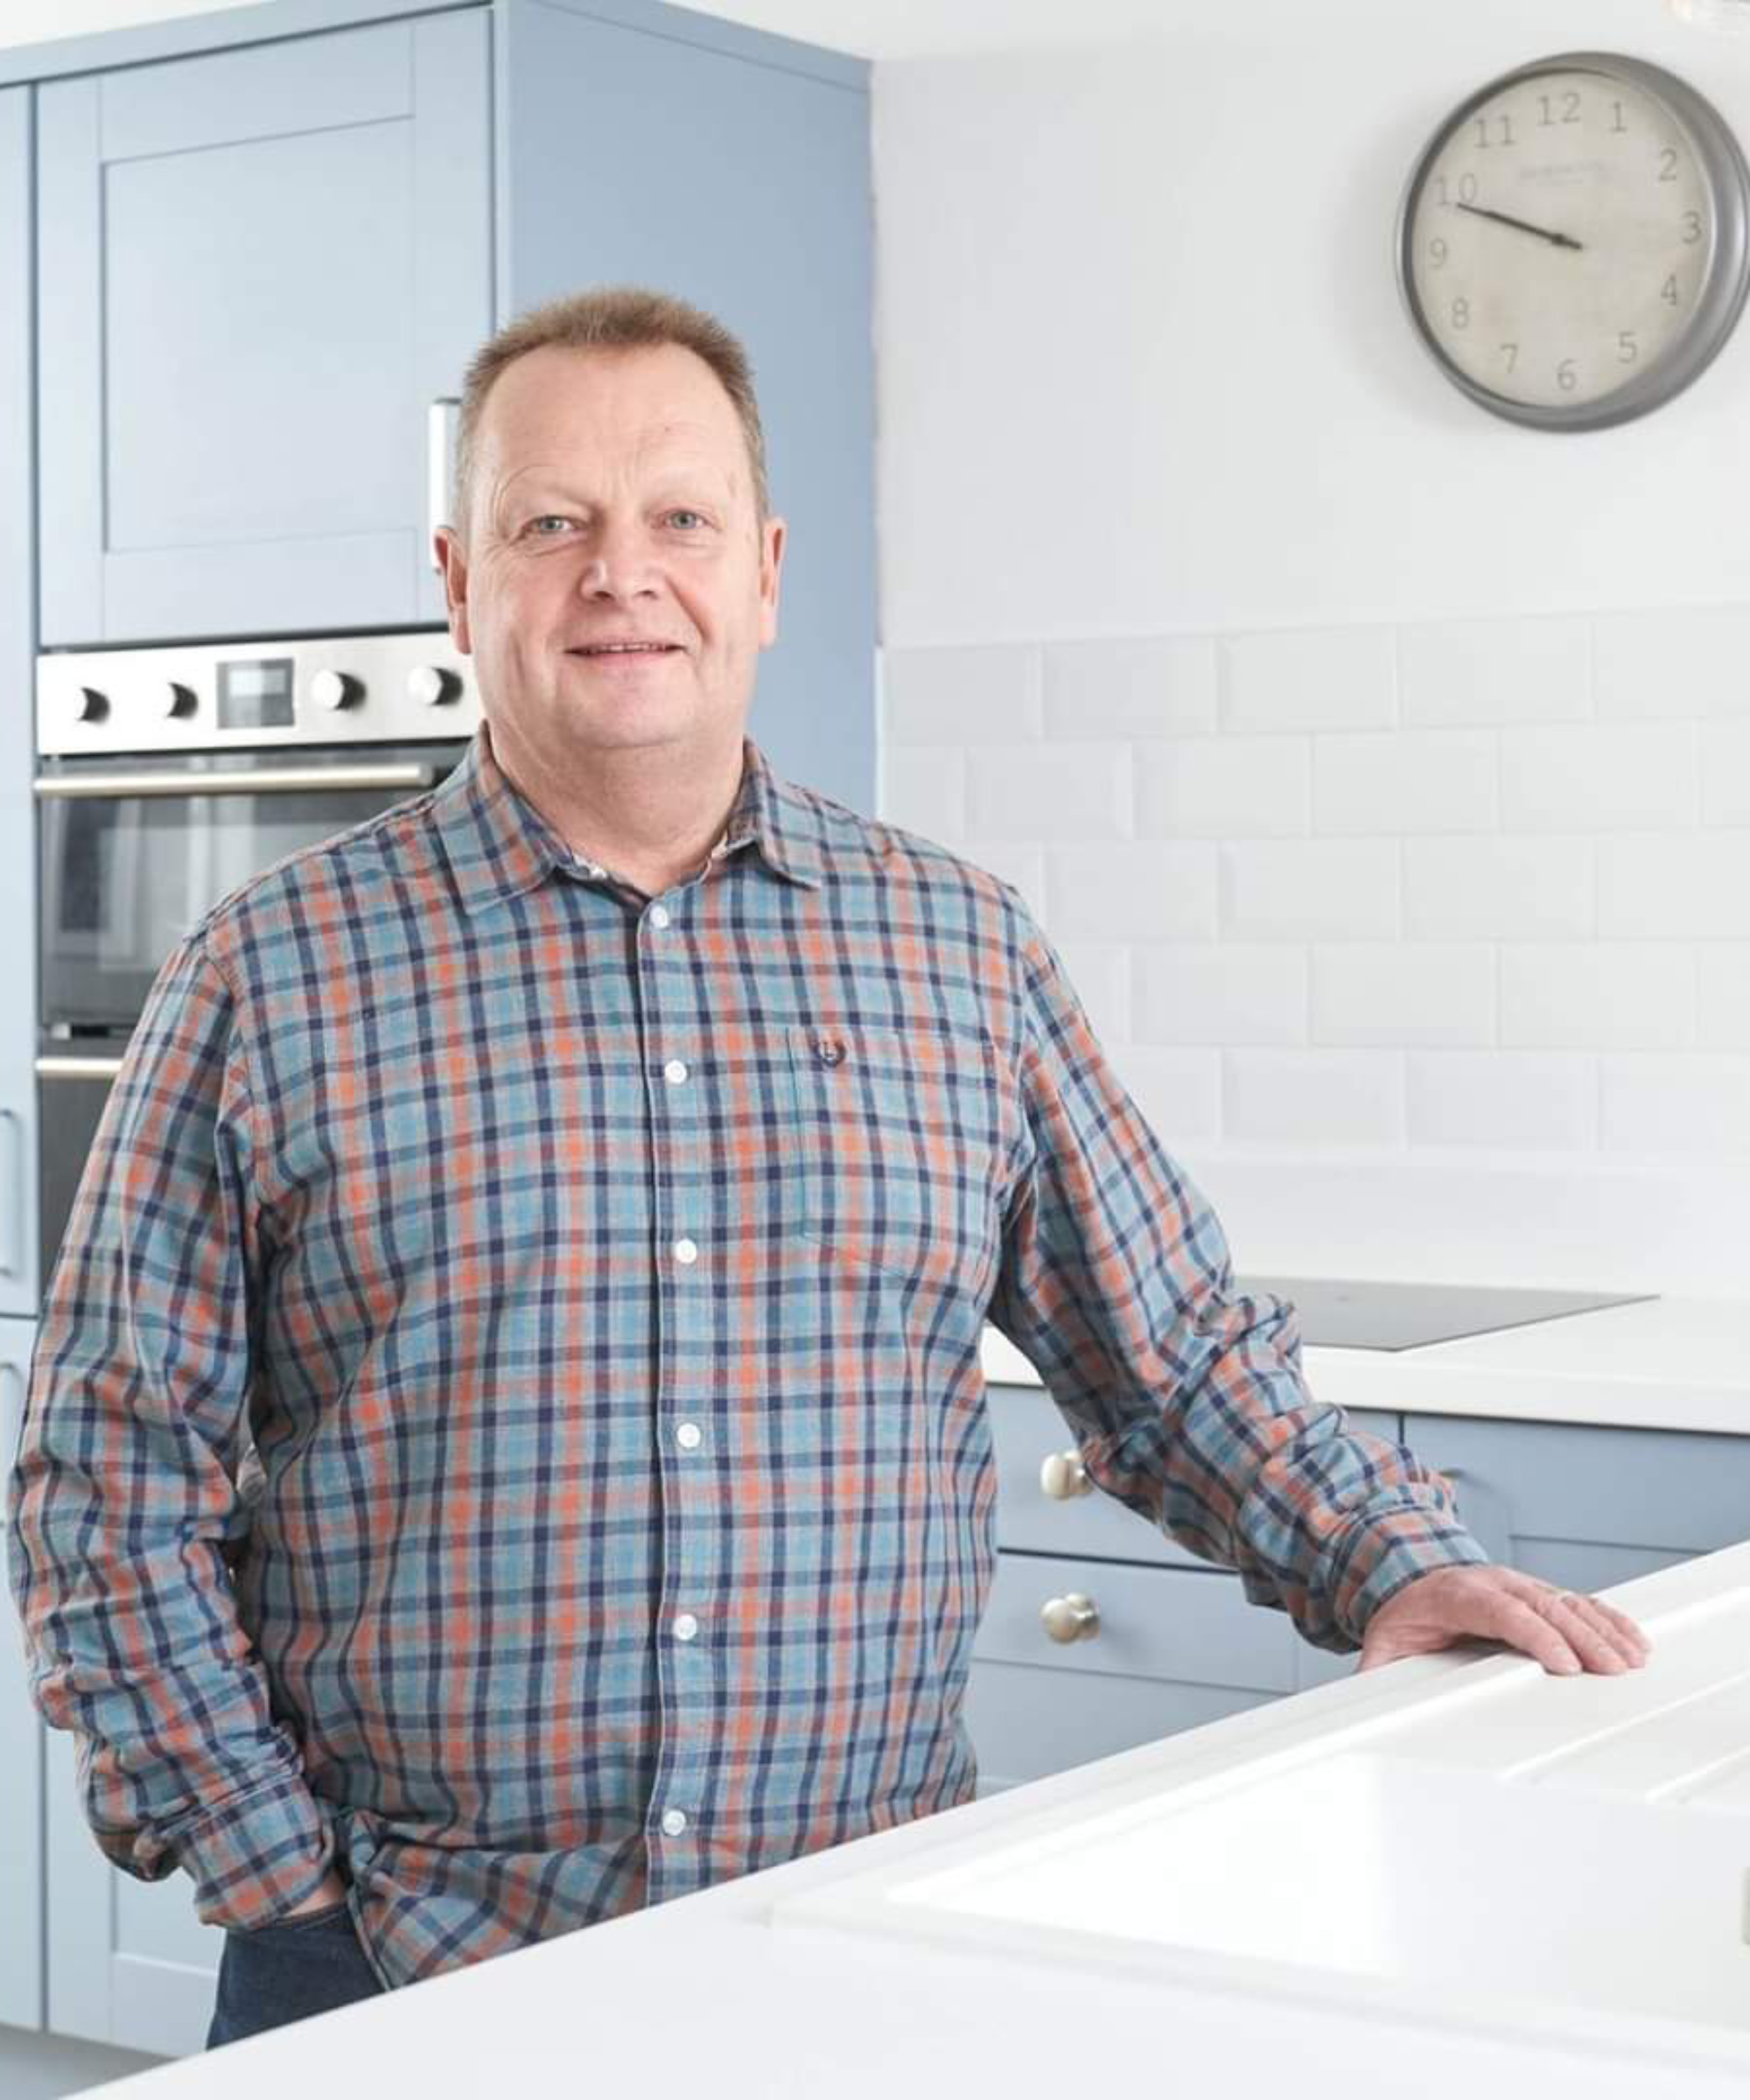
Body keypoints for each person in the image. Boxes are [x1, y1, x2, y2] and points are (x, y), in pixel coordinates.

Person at [6, 285, 1649, 2049]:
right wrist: (280, 1877)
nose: (619, 573)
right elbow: (102, 1485)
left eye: (678, 519)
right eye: (550, 522)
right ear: (462, 578)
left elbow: (1167, 1357)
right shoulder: (271, 969)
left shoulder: (959, 947)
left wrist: (1385, 1561)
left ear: (765, 571)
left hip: (849, 1951)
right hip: (397, 1967)